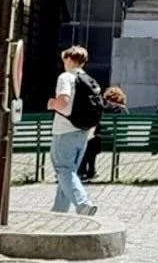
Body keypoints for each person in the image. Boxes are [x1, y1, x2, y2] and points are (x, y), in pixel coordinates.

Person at [46, 45, 100, 215]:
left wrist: (51, 104)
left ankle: (83, 204)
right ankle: (59, 210)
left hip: (65, 131)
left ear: (68, 59)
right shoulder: (89, 80)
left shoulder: (66, 77)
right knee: (69, 173)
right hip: (83, 132)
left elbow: (63, 101)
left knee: (63, 169)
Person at [79, 85, 128, 181]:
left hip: (103, 142)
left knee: (89, 145)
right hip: (118, 141)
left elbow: (97, 126)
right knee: (91, 146)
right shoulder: (124, 110)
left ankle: (83, 171)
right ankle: (90, 171)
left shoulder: (103, 110)